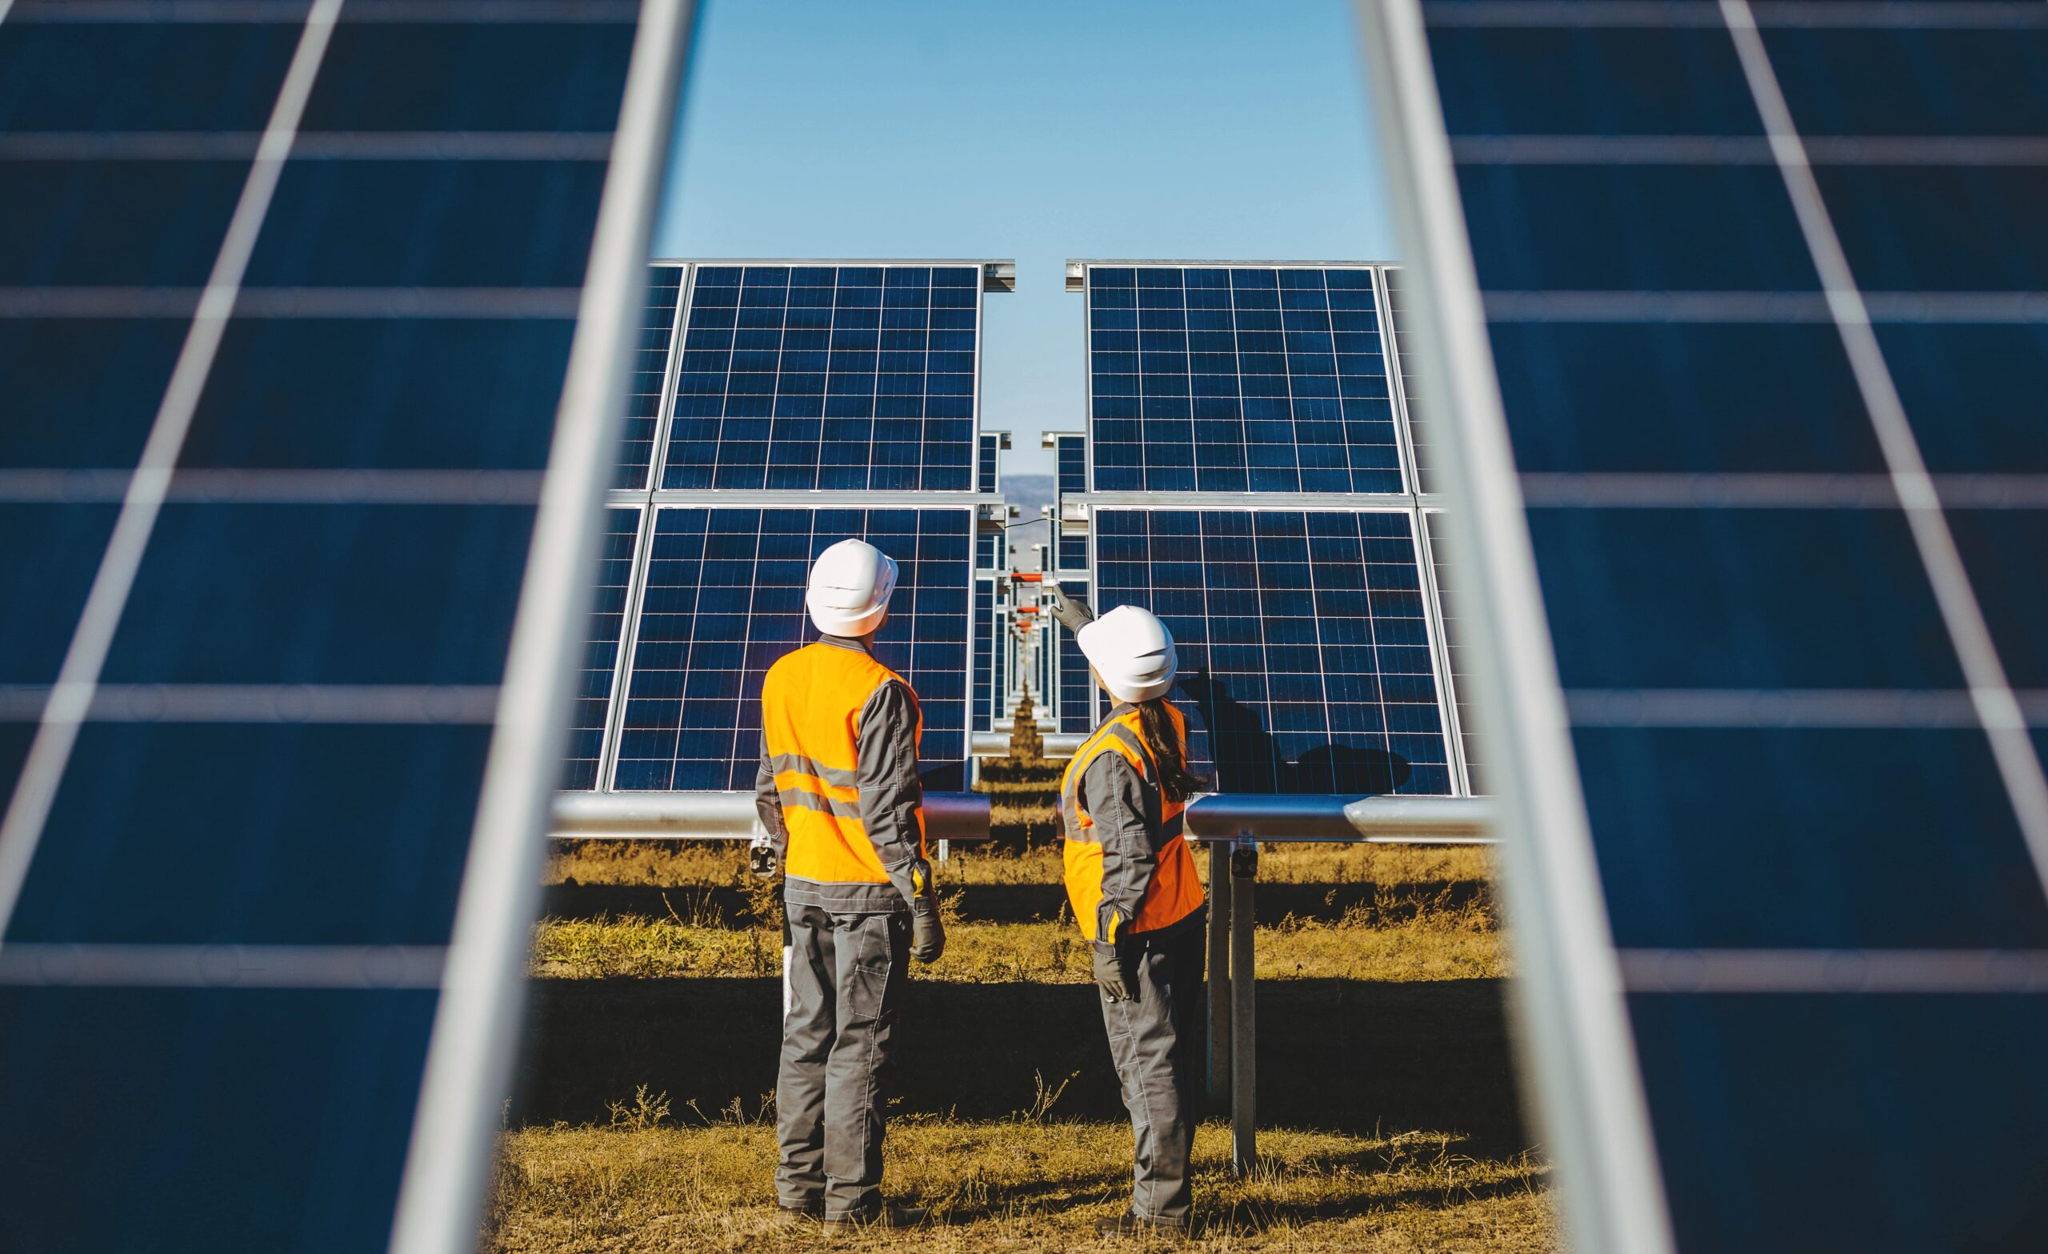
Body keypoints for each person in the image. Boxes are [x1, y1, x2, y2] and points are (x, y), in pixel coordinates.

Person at [755, 538, 946, 1231]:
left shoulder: (782, 676)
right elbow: (890, 813)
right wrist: (922, 901)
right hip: (867, 895)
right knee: (859, 1048)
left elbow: (772, 785)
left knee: (804, 1038)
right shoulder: (880, 692)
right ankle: (851, 1207)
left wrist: (784, 854)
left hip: (803, 884)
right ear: (880, 608)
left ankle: (796, 1193)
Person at [1047, 584, 1208, 1238]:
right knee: (1167, 1058)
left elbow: (1128, 859)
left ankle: (1160, 1216)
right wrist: (1084, 624)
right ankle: (1162, 1197)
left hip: (1136, 930)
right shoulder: (1165, 719)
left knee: (1149, 1070)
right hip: (1178, 911)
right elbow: (1130, 668)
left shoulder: (1112, 757)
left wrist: (1108, 941)